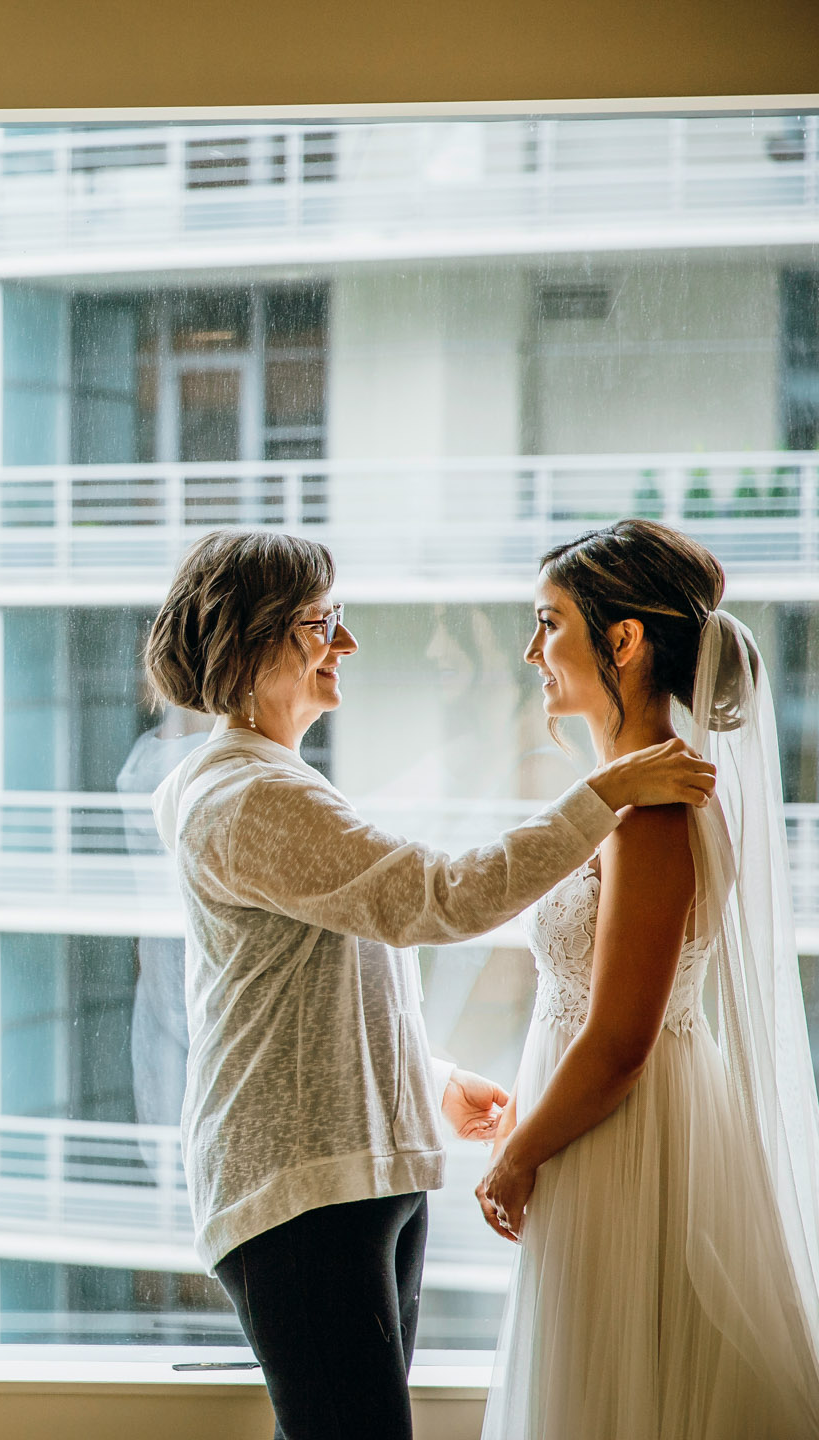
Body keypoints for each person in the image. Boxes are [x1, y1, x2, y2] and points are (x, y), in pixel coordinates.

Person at [144, 527, 715, 1440]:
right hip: (303, 1185)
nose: (347, 643)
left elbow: (311, 976)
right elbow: (439, 900)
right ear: (253, 642)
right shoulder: (248, 798)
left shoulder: (269, 782)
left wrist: (433, 1076)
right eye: (323, 623)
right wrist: (604, 794)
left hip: (349, 1171)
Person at [475, 520, 819, 1438]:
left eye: (548, 623)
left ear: (621, 640)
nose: (531, 651)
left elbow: (623, 1038)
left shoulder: (652, 816)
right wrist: (527, 1112)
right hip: (595, 1124)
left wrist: (516, 1159)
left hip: (625, 1142)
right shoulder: (630, 797)